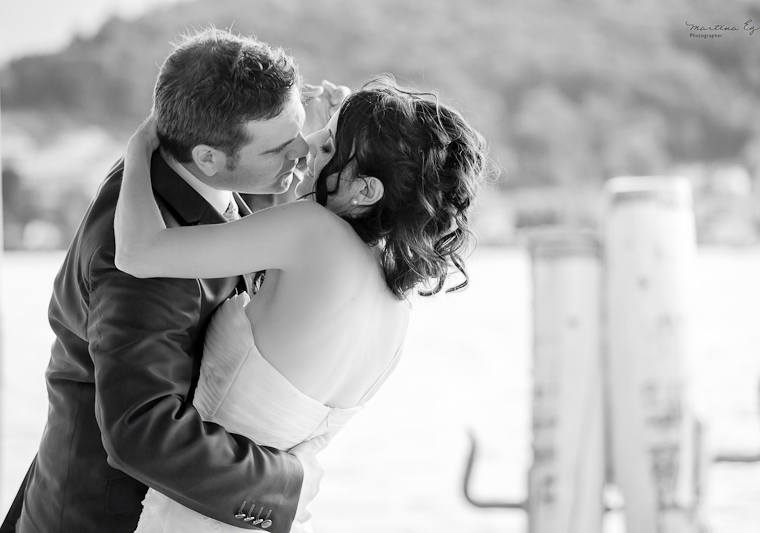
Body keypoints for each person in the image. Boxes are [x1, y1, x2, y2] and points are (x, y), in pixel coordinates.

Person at [0, 28, 345, 533]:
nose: (299, 152)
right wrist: (285, 483)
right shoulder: (142, 264)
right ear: (208, 157)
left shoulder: (182, 165)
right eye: (278, 150)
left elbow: (242, 213)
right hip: (105, 518)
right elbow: (139, 430)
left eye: (298, 133)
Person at [114, 76, 490, 533]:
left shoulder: (311, 233)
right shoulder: (394, 309)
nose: (308, 145)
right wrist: (341, 139)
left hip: (191, 516)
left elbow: (138, 252)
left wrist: (137, 149)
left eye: (328, 145)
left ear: (367, 192)